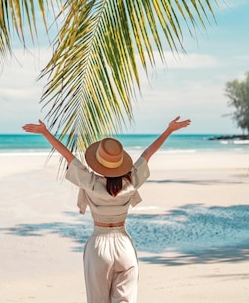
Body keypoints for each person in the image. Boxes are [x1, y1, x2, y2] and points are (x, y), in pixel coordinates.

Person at [22, 116, 191, 303]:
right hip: (124, 245)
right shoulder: (131, 182)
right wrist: (168, 130)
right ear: (121, 163)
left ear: (99, 163)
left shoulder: (90, 182)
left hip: (99, 246)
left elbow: (67, 155)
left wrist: (46, 132)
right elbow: (148, 154)